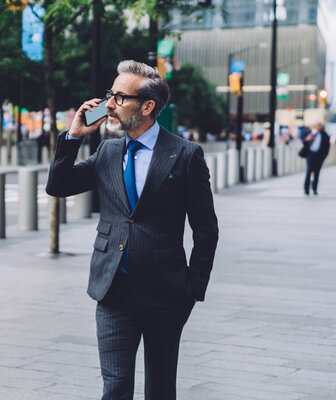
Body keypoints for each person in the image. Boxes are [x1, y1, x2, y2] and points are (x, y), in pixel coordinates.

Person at [46, 60, 219, 400]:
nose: (108, 104)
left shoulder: (185, 155)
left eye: (119, 98)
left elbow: (206, 229)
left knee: (160, 388)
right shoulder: (108, 151)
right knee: (116, 388)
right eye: (110, 94)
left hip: (166, 294)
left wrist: (192, 288)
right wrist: (73, 137)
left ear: (147, 107)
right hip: (113, 292)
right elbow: (58, 185)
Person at [302, 122, 331, 195]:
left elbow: (327, 146)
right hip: (310, 154)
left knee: (317, 172)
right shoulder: (310, 133)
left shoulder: (324, 135)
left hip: (319, 155)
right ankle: (306, 189)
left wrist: (324, 156)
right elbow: (304, 141)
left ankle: (314, 188)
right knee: (309, 170)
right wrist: (307, 139)